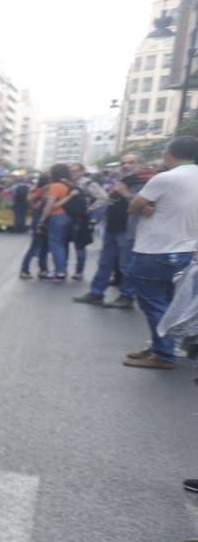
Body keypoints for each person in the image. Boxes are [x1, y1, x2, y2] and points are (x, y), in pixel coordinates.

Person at [123, 136, 198, 370]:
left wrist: (144, 207)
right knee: (171, 303)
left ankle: (164, 354)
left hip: (154, 250)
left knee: (154, 303)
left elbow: (133, 206)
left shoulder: (165, 178)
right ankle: (162, 345)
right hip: (184, 250)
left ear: (169, 153)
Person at [77, 153, 143, 309]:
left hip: (128, 229)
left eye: (131, 162)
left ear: (139, 164)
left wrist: (126, 193)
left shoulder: (142, 181)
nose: (126, 166)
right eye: (124, 163)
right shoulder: (121, 180)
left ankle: (126, 297)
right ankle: (96, 293)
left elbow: (144, 206)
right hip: (112, 227)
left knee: (126, 265)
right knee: (105, 262)